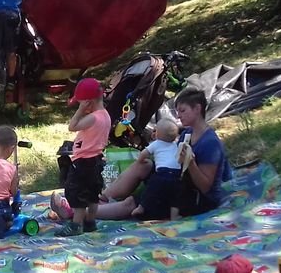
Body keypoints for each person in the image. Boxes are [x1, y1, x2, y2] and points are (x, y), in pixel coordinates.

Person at [93, 87, 232, 221]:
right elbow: (174, 160)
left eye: (183, 111)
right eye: (177, 111)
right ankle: (103, 198)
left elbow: (206, 187)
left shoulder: (210, 143)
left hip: (195, 197)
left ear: (197, 109)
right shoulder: (187, 133)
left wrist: (191, 164)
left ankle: (85, 211)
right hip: (177, 181)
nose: (178, 115)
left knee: (131, 203)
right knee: (144, 164)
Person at [54, 78, 111, 236]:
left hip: (84, 161)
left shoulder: (93, 118)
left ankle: (76, 225)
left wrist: (80, 111)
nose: (79, 106)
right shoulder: (105, 115)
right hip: (97, 160)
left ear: (88, 102)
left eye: (80, 103)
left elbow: (72, 126)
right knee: (93, 192)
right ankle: (90, 222)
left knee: (77, 191)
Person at [130, 118, 182, 220]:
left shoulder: (156, 144)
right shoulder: (175, 145)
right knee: (175, 197)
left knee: (151, 190)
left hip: (162, 173)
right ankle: (174, 216)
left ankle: (141, 207)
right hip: (176, 175)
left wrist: (140, 161)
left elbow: (144, 153)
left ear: (158, 134)